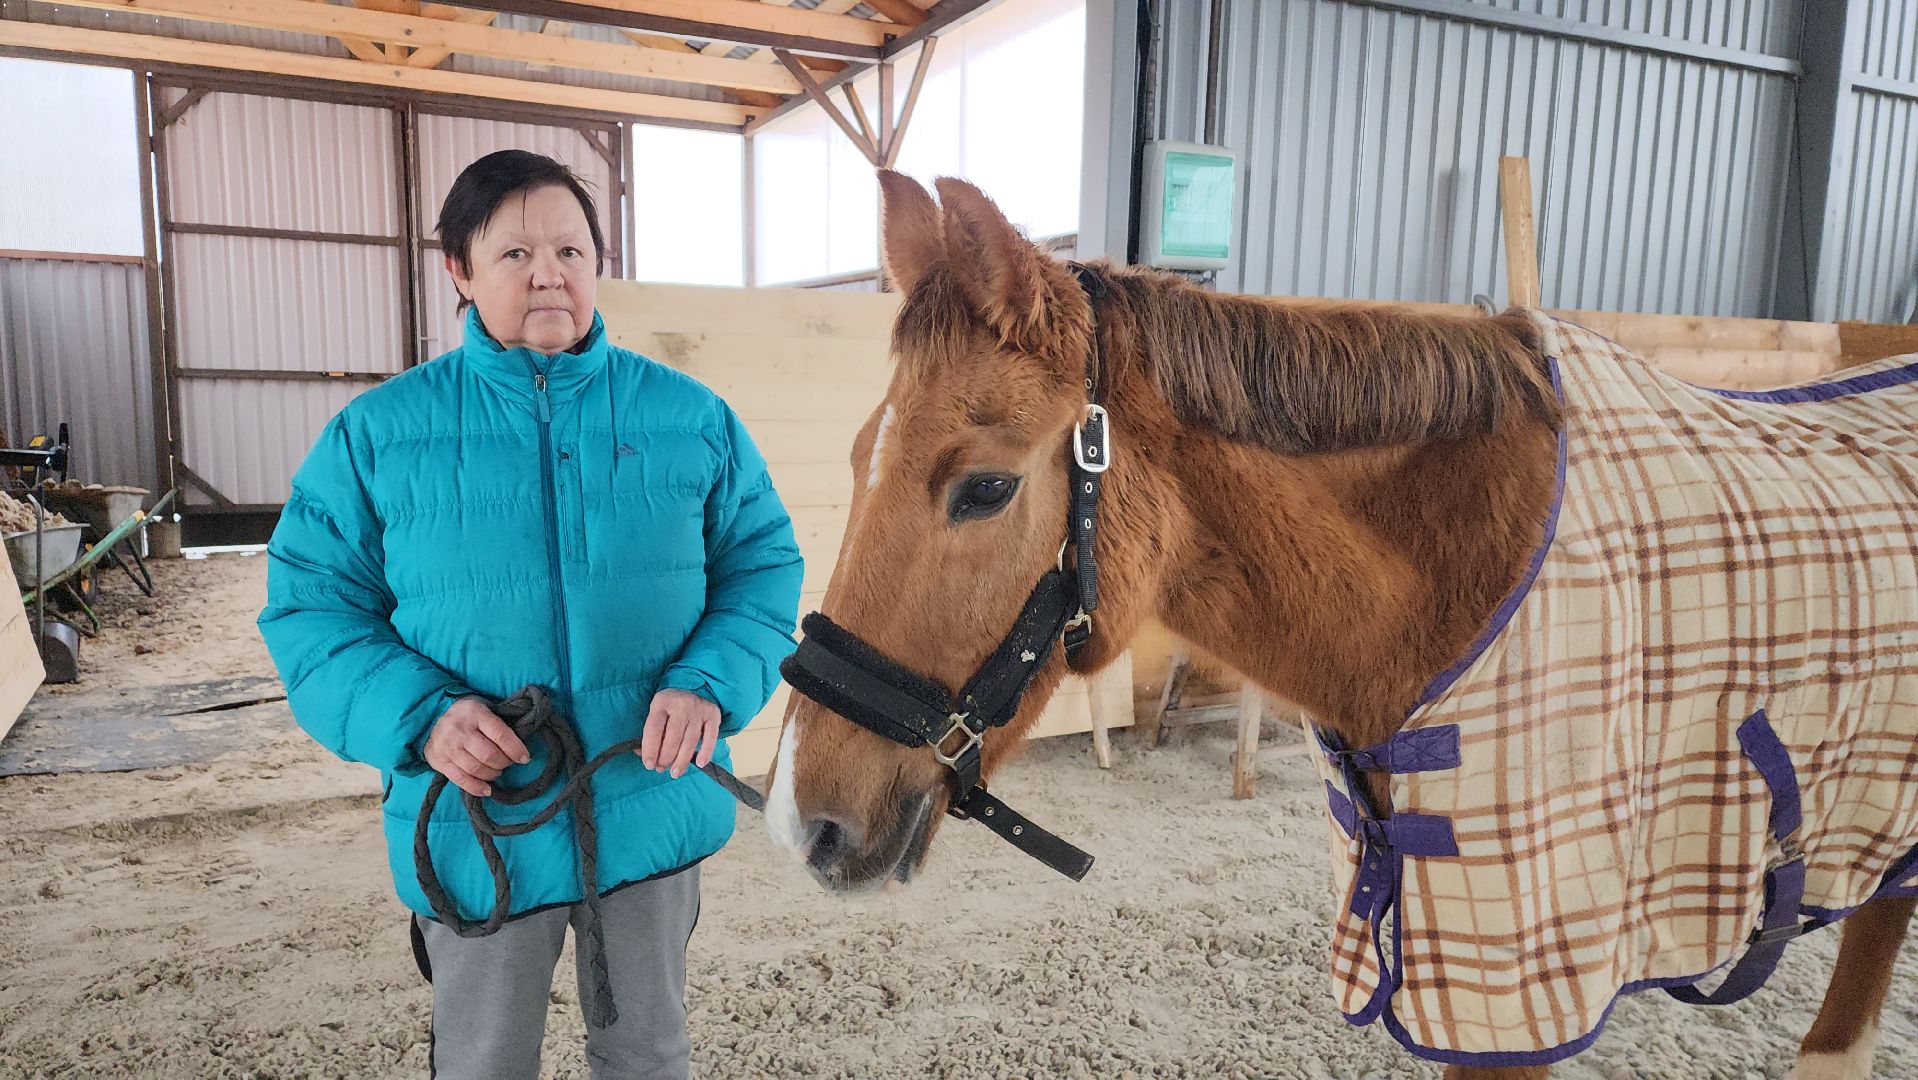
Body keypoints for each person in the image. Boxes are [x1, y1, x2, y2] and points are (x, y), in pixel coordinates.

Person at [258, 149, 802, 1079]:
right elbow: (311, 609)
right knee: (483, 1062)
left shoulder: (691, 417)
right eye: (515, 253)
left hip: (646, 804)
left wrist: (710, 683)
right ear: (459, 272)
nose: (549, 272)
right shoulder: (377, 435)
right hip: (479, 824)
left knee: (649, 1054)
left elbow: (762, 566)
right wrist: (422, 716)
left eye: (570, 250)